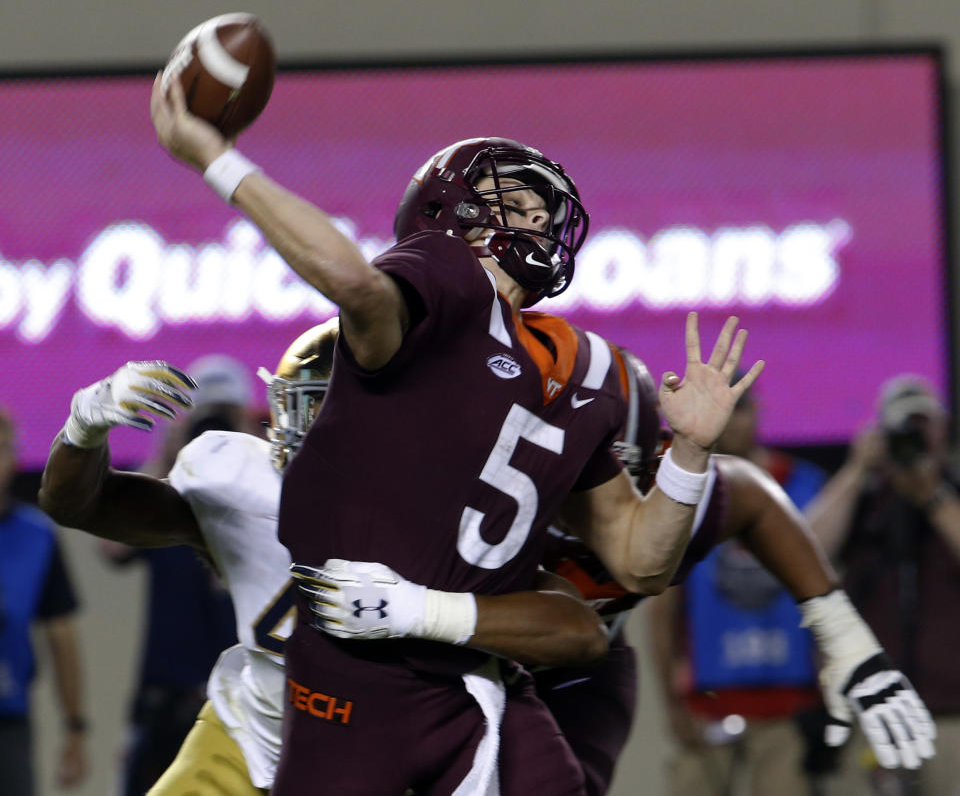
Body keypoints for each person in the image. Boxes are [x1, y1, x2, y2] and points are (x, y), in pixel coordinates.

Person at [151, 74, 764, 794]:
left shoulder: (591, 368)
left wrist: (690, 453)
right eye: (516, 196)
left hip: (473, 667)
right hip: (357, 671)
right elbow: (354, 284)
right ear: (451, 213)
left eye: (545, 206)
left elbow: (639, 560)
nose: (540, 213)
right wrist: (218, 157)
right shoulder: (444, 282)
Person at [296, 351, 936, 794]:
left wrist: (852, 648)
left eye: (621, 470)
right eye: (586, 473)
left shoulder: (677, 491)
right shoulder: (487, 495)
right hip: (453, 657)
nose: (607, 492)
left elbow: (754, 502)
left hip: (575, 669)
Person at [38, 322, 614, 795]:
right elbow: (82, 506)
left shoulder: (453, 509)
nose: (330, 437)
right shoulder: (240, 482)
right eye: (316, 411)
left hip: (391, 753)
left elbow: (578, 629)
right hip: (257, 728)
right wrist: (83, 428)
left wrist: (422, 611)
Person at [648, 385, 831, 796]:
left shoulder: (807, 486)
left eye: (741, 408)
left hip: (790, 700)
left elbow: (832, 589)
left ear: (759, 412)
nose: (733, 419)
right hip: (706, 699)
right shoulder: (682, 491)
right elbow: (663, 606)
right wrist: (671, 702)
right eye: (723, 409)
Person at [805, 375, 960, 794]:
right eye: (903, 426)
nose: (914, 436)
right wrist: (857, 471)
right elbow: (802, 550)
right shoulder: (863, 501)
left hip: (950, 716)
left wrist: (933, 497)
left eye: (922, 424)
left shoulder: (955, 496)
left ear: (942, 429)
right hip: (871, 717)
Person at [99, 356, 247, 795]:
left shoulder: (264, 491)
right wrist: (168, 451)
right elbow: (111, 546)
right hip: (163, 695)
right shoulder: (170, 490)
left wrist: (256, 449)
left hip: (239, 696)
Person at [0, 407, 88, 795]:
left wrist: (75, 726)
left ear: (14, 457)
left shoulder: (37, 537)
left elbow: (60, 634)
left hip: (9, 721)